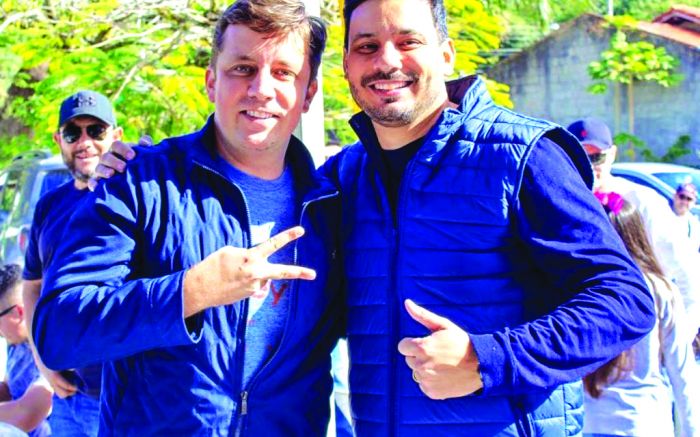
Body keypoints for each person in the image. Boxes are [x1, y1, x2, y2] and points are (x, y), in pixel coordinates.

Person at [96, 0, 655, 434]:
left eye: (407, 41)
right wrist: (140, 164)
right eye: (366, 46)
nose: (386, 61)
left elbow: (626, 301)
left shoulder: (520, 156)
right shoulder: (341, 180)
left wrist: (487, 358)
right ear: (344, 67)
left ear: (446, 55)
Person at [33, 0, 343, 435]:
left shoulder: (331, 203)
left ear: (308, 93)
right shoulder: (139, 181)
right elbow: (59, 331)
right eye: (242, 68)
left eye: (283, 73)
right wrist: (189, 292)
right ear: (211, 81)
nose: (261, 89)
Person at [22, 90, 123, 437]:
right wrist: (42, 361)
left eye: (96, 131)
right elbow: (32, 287)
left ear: (116, 135)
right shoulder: (49, 206)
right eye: (72, 133)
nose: (84, 142)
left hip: (124, 396)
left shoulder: (136, 196)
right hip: (67, 395)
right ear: (58, 140)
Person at [568, 117, 700, 342]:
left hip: (640, 337)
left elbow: (688, 275)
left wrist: (679, 342)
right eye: (577, 158)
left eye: (596, 157)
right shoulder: (556, 205)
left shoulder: (644, 202)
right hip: (582, 336)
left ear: (612, 154)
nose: (588, 166)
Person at [583, 192, 700, 437]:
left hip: (590, 422)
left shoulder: (578, 288)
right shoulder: (659, 289)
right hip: (645, 421)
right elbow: (683, 374)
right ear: (636, 234)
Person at [0, 264, 52, 436]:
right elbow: (8, 389)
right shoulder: (15, 344)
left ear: (19, 312)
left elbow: (28, 413)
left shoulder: (49, 346)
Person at [672, 182, 700, 251]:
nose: (684, 202)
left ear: (694, 202)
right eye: (682, 197)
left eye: (689, 199)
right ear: (675, 196)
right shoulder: (661, 213)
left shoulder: (695, 227)